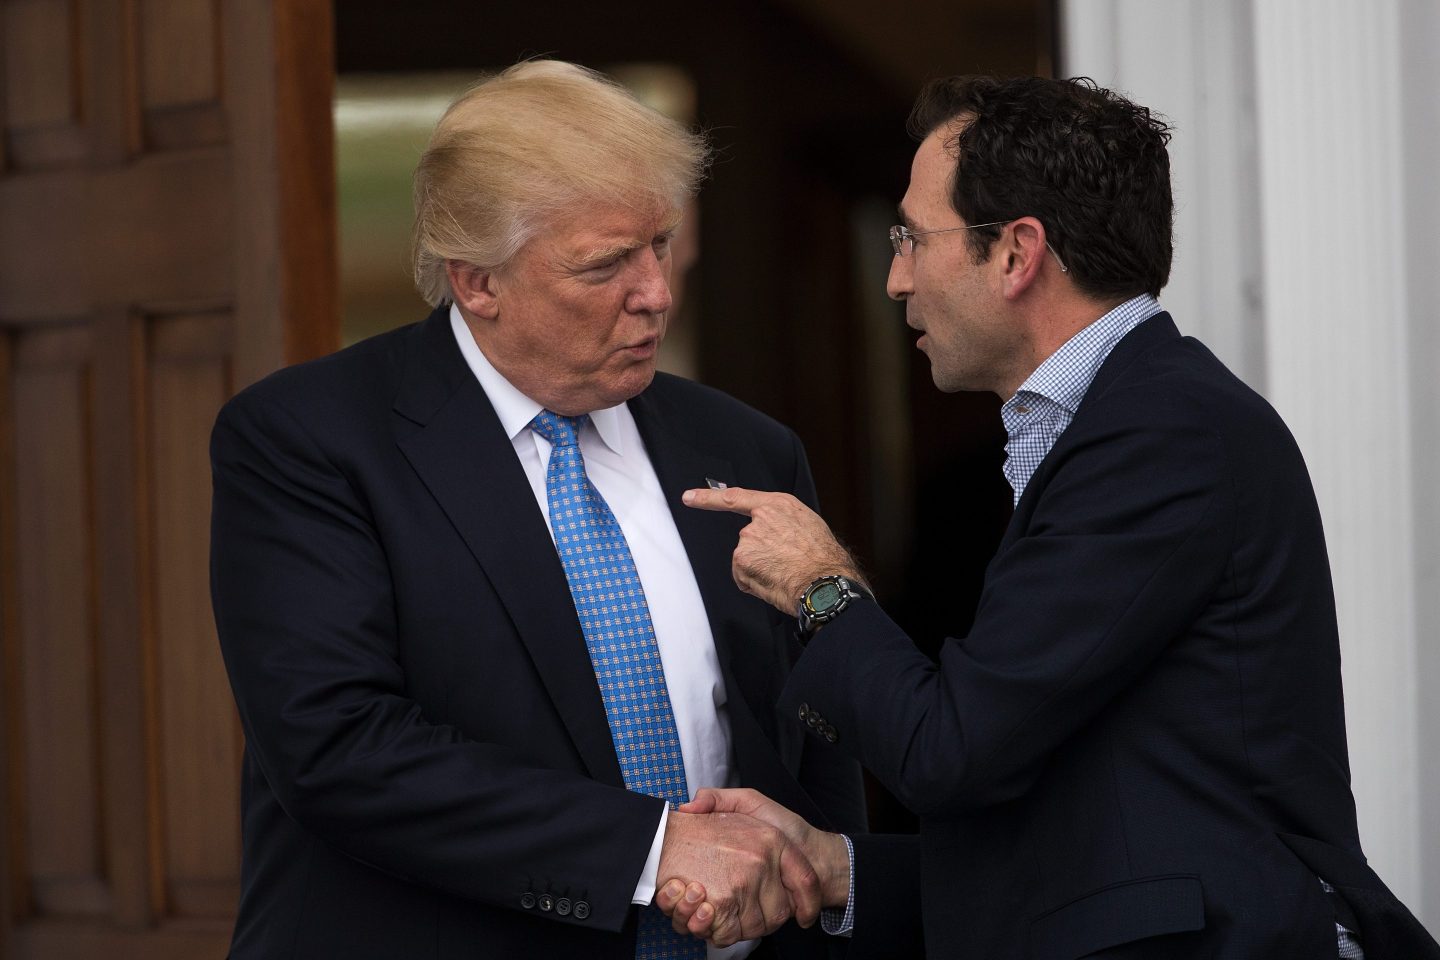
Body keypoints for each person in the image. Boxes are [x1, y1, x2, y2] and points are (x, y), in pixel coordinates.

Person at [668, 75, 1440, 958]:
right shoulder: (1126, 423)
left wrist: (821, 586)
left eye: (914, 238)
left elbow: (952, 750)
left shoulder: (1163, 432)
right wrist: (837, 865)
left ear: (1016, 252)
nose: (895, 279)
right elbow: (1084, 824)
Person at [209, 59, 864, 960]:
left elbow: (816, 735)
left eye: (661, 245)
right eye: (604, 265)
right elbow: (337, 748)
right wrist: (652, 845)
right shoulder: (310, 439)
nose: (657, 294)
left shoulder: (747, 450)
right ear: (478, 281)